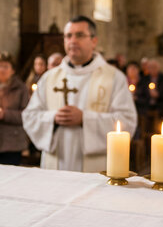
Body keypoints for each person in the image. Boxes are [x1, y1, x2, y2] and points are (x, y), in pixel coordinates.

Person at [22, 16, 137, 172]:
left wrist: (85, 119)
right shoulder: (50, 77)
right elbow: (30, 116)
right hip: (55, 166)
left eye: (80, 35)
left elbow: (127, 121)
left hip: (96, 168)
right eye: (68, 35)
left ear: (94, 41)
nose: (73, 40)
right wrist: (54, 117)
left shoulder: (114, 77)